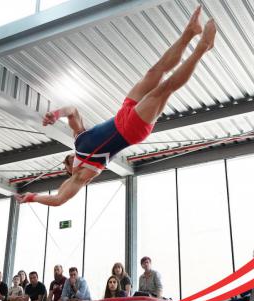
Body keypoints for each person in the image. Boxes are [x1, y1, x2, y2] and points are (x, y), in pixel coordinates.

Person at [16, 6, 216, 206]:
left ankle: (190, 32)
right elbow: (58, 199)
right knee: (165, 88)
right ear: (70, 172)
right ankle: (203, 47)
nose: (65, 162)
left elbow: (73, 111)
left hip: (125, 111)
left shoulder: (79, 140)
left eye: (66, 160)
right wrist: (33, 197)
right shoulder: (85, 172)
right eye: (66, 167)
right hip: (131, 129)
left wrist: (55, 113)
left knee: (155, 71)